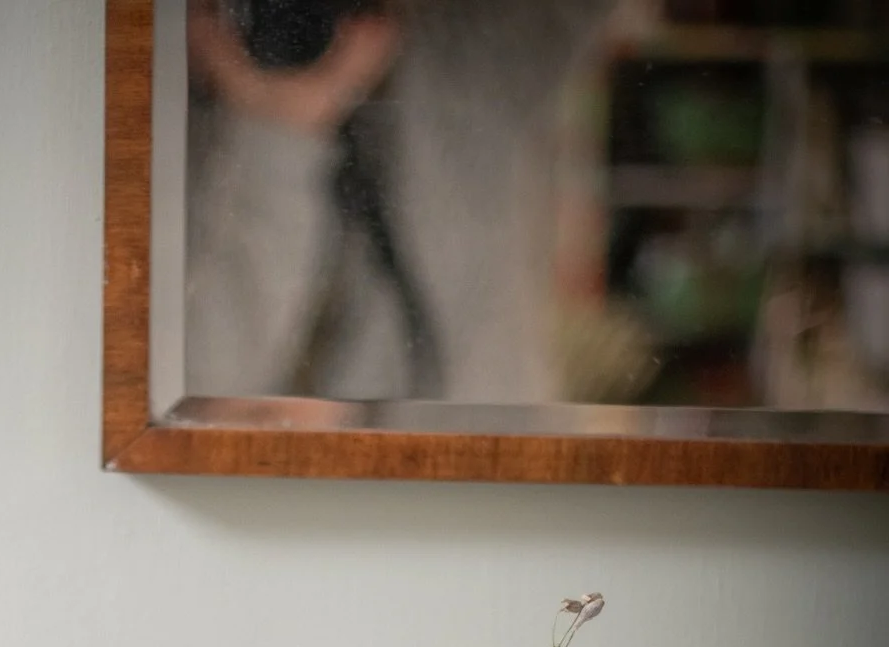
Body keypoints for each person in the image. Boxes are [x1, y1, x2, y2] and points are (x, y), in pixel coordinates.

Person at [185, 0, 619, 403]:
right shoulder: (165, 104)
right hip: (265, 459)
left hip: (476, 449)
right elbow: (196, 384)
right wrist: (275, 133)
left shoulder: (474, 56)